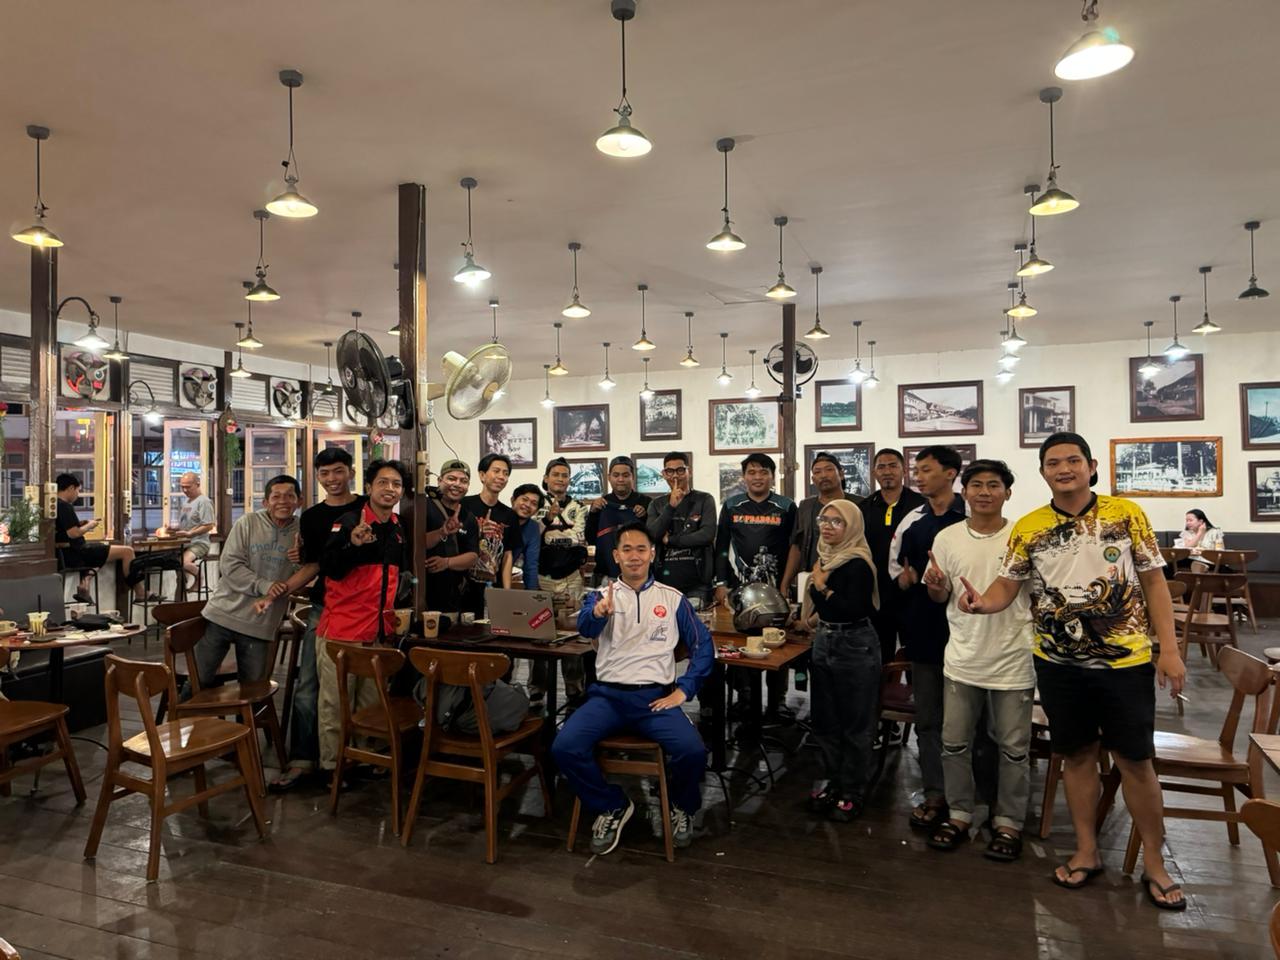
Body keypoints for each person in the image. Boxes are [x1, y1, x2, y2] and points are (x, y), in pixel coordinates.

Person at [957, 432, 1187, 909]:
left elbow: (1154, 583)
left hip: (1125, 662)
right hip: (1058, 663)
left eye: (1073, 460)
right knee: (1077, 757)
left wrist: (1169, 648)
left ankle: (1155, 861)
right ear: (1043, 472)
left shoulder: (1126, 515)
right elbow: (1007, 586)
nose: (1064, 469)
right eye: (1053, 463)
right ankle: (1086, 850)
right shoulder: (1030, 527)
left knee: (1135, 762)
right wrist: (981, 604)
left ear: (1091, 466)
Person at [552, 523, 714, 855]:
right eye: (627, 549)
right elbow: (584, 626)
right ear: (616, 556)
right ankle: (612, 804)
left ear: (652, 554)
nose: (635, 556)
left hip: (655, 699)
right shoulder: (600, 596)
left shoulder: (673, 598)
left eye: (641, 549)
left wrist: (684, 690)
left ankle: (682, 806)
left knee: (693, 751)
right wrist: (598, 613)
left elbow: (703, 646)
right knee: (564, 747)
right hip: (607, 698)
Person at [921, 459, 1034, 861]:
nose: (985, 492)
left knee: (1014, 748)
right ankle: (959, 814)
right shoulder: (947, 538)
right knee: (954, 743)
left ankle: (1009, 822)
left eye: (994, 485)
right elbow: (939, 596)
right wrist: (936, 586)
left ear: (1008, 492)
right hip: (962, 657)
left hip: (1013, 656)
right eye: (977, 485)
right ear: (964, 492)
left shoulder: (1023, 537)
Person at [268, 447, 366, 791]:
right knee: (309, 684)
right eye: (324, 473)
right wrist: (279, 590)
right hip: (325, 606)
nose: (332, 479)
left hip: (366, 609)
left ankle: (355, 758)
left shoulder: (366, 507)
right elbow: (312, 565)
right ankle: (302, 760)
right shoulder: (311, 517)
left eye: (338, 471)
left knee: (360, 688)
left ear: (351, 471)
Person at [313, 460, 411, 776]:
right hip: (342, 630)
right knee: (335, 703)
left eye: (396, 484)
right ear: (368, 487)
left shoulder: (398, 526)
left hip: (378, 632)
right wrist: (352, 545)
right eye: (383, 482)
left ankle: (366, 759)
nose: (390, 489)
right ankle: (334, 766)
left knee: (370, 702)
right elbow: (330, 567)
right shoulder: (348, 521)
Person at [889, 445, 966, 832]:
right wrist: (904, 581)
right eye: (916, 470)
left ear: (950, 473)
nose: (918, 477)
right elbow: (896, 569)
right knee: (929, 719)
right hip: (924, 631)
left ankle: (971, 798)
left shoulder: (971, 516)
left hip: (971, 634)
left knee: (971, 721)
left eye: (926, 470)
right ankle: (936, 793)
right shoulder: (913, 520)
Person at [800, 499, 880, 822]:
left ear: (852, 527)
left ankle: (852, 791)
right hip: (825, 640)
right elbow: (826, 611)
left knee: (856, 724)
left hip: (854, 643)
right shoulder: (825, 558)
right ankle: (833, 782)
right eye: (824, 520)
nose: (828, 527)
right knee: (826, 721)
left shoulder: (858, 562)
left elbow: (853, 608)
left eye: (837, 521)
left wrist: (821, 587)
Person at [194, 474, 301, 689]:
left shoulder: (303, 531)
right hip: (222, 615)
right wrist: (265, 585)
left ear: (299, 501)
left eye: (290, 496)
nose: (283, 501)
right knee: (198, 683)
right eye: (276, 496)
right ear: (265, 502)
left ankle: (244, 716)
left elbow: (305, 573)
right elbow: (230, 566)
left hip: (261, 623)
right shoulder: (248, 523)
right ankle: (182, 713)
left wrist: (301, 560)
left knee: (253, 690)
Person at [713, 452, 796, 717]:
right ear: (744, 477)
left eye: (763, 472)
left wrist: (787, 585)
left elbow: (794, 547)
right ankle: (745, 698)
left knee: (777, 644)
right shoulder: (732, 506)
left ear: (772, 476)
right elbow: (721, 547)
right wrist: (721, 582)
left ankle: (777, 701)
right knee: (742, 642)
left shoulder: (786, 506)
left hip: (775, 591)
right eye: (752, 472)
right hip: (740, 590)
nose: (757, 477)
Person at [532, 457, 590, 706]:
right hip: (542, 577)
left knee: (571, 633)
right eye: (555, 474)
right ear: (546, 478)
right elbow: (533, 535)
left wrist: (554, 535)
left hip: (570, 577)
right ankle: (537, 688)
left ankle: (574, 687)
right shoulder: (535, 503)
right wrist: (549, 524)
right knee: (539, 631)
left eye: (565, 475)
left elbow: (578, 538)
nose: (560, 479)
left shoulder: (579, 507)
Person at [859, 449, 926, 664]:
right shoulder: (863, 508)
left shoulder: (921, 506)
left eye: (893, 466)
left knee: (915, 655)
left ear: (904, 470)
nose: (887, 471)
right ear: (874, 473)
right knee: (879, 657)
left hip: (912, 593)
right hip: (876, 594)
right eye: (881, 467)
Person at [781, 452, 863, 597]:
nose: (823, 475)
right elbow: (797, 546)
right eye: (817, 472)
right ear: (813, 479)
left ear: (841, 474)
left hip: (849, 579)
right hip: (811, 577)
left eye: (829, 469)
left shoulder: (860, 504)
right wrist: (785, 583)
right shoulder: (806, 507)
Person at [54, 473, 138, 604]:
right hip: (76, 553)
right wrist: (90, 526)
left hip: (66, 553)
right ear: (70, 488)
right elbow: (74, 534)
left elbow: (63, 530)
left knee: (100, 550)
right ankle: (140, 592)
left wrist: (81, 523)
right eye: (78, 490)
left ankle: (85, 584)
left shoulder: (54, 505)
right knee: (128, 551)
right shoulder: (64, 506)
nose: (78, 495)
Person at [645, 451, 717, 605]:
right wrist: (671, 507)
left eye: (680, 470)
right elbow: (653, 534)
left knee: (698, 620)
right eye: (670, 471)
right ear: (664, 474)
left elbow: (707, 535)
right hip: (664, 583)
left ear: (689, 471)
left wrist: (671, 540)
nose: (675, 476)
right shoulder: (656, 504)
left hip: (698, 583)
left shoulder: (704, 499)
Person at [462, 453, 523, 614]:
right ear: (482, 475)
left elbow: (508, 554)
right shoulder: (464, 506)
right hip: (464, 586)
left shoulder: (509, 515)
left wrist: (507, 591)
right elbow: (455, 541)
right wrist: (478, 532)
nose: (501, 477)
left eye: (505, 473)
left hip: (494, 587)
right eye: (496, 471)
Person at [423, 460, 479, 615]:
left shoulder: (468, 517)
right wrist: (442, 532)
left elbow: (473, 555)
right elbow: (416, 544)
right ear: (439, 481)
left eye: (463, 481)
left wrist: (447, 562)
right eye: (451, 479)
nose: (457, 484)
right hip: (423, 592)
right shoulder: (424, 507)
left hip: (455, 595)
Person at [585, 456, 650, 584]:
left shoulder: (646, 503)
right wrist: (593, 513)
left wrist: (645, 516)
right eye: (616, 475)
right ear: (609, 477)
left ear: (633, 477)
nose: (621, 479)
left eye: (625, 475)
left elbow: (654, 538)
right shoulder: (601, 504)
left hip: (638, 574)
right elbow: (590, 538)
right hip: (605, 574)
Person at [158, 471, 215, 589]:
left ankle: (199, 577)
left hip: (199, 543)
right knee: (178, 572)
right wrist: (173, 529)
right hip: (184, 542)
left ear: (197, 484)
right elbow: (186, 525)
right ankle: (180, 597)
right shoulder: (186, 502)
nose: (185, 490)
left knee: (182, 562)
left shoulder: (204, 502)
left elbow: (209, 525)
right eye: (182, 487)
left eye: (188, 487)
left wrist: (190, 533)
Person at [508, 483, 544, 588]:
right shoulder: (499, 517)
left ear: (536, 510)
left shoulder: (533, 528)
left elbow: (531, 565)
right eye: (524, 499)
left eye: (534, 503)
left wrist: (532, 594)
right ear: (513, 500)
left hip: (503, 580)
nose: (528, 505)